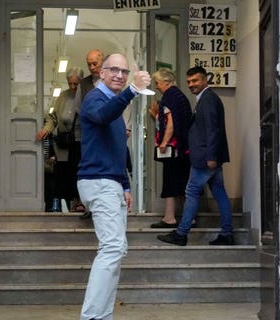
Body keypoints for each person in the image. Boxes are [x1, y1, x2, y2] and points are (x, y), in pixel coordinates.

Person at [77, 53, 152, 320]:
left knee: (116, 249)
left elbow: (118, 150)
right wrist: (133, 90)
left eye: (124, 71)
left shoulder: (114, 104)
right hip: (98, 181)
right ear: (101, 73)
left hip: (111, 181)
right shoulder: (95, 99)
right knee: (111, 248)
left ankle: (102, 315)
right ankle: (92, 317)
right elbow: (101, 116)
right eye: (114, 70)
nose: (119, 75)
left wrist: (125, 185)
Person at [157, 66, 234, 246]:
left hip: (205, 158)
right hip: (209, 156)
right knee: (219, 193)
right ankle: (227, 233)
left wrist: (211, 157)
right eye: (189, 81)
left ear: (205, 80)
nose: (192, 85)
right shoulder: (207, 99)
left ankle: (181, 233)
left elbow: (212, 130)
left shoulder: (207, 100)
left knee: (191, 191)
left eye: (195, 81)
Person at [148, 68, 192, 228]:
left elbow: (171, 122)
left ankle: (169, 217)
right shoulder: (180, 96)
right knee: (183, 182)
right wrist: (156, 117)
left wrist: (163, 143)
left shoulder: (169, 97)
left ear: (166, 82)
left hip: (174, 149)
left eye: (158, 83)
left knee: (171, 181)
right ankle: (189, 217)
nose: (157, 86)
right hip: (184, 148)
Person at [36, 67, 84, 211]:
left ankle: (80, 202)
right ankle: (71, 203)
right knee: (65, 173)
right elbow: (54, 118)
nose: (73, 87)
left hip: (82, 141)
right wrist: (45, 130)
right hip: (65, 142)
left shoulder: (87, 96)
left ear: (81, 82)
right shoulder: (62, 97)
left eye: (76, 84)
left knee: (80, 171)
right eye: (70, 83)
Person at [74, 49, 104, 218]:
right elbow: (78, 107)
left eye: (95, 63)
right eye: (89, 64)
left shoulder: (111, 79)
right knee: (89, 168)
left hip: (107, 133)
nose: (92, 67)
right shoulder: (83, 84)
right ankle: (89, 207)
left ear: (103, 61)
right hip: (89, 133)